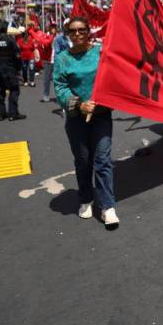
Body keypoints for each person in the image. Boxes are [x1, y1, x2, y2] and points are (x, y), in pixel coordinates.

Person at [53, 16, 118, 228]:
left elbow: (114, 75)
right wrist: (79, 105)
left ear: (89, 31)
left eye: (81, 29)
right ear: (67, 34)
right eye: (72, 31)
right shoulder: (62, 59)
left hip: (102, 116)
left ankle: (107, 206)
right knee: (83, 161)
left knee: (103, 160)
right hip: (76, 119)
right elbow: (60, 87)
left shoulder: (101, 53)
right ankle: (85, 198)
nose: (77, 34)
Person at [0, 20, 25, 121]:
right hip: (9, 69)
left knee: (0, 91)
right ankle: (13, 114)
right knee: (14, 89)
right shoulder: (10, 40)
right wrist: (18, 69)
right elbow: (17, 56)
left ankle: (1, 114)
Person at [29, 23, 57, 102]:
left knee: (58, 79)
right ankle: (46, 96)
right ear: (49, 28)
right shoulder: (45, 35)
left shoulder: (60, 36)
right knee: (46, 79)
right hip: (47, 60)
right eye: (52, 27)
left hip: (57, 60)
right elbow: (46, 43)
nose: (53, 28)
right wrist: (52, 36)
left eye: (54, 27)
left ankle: (59, 96)